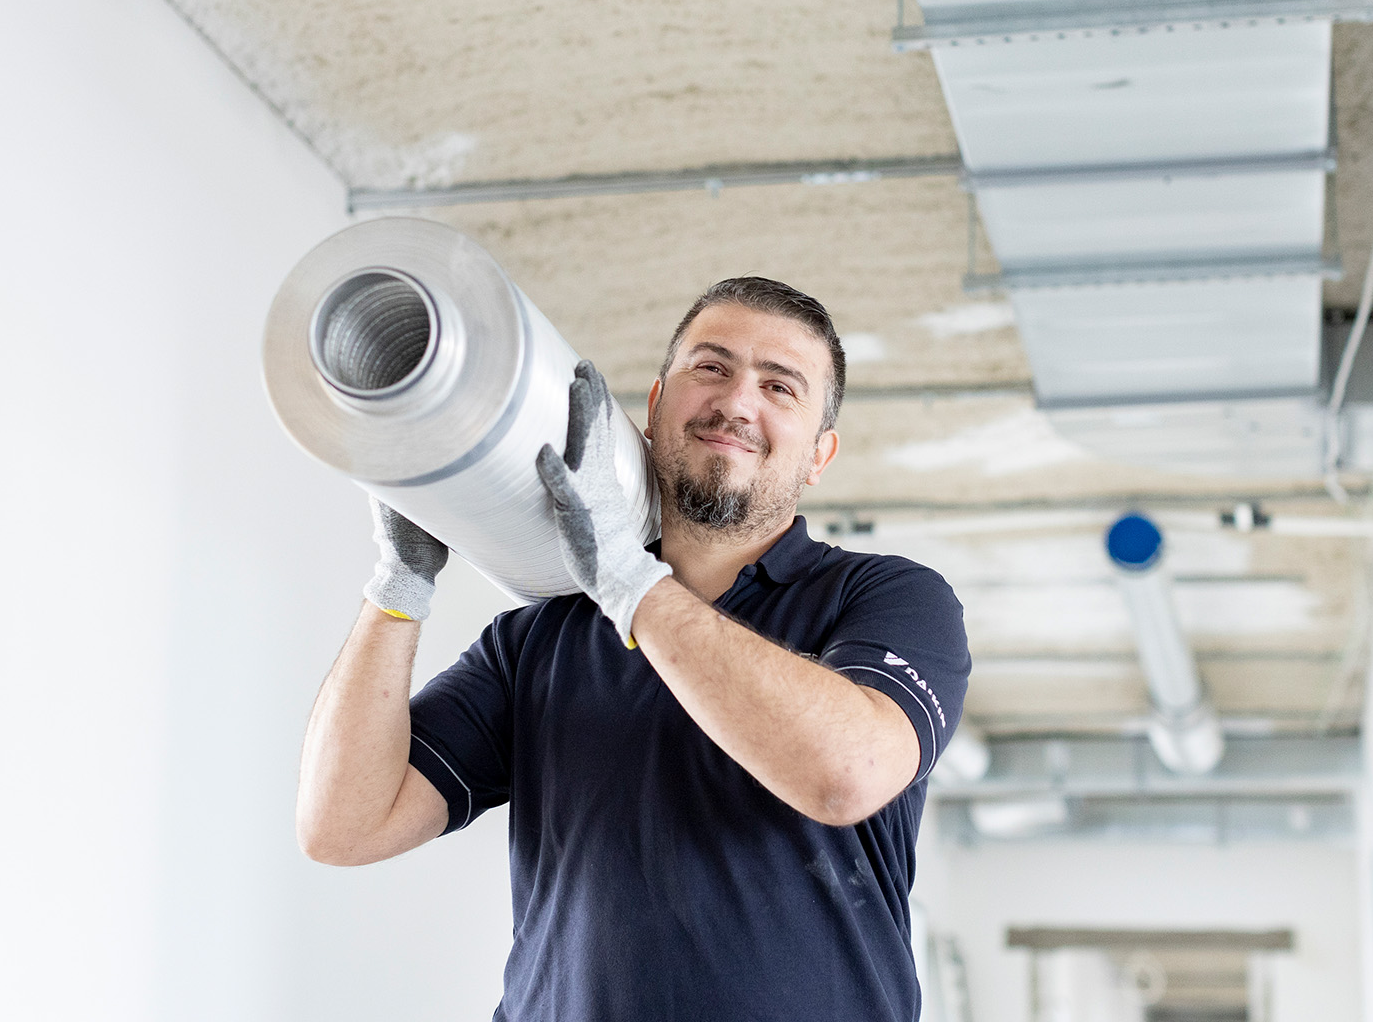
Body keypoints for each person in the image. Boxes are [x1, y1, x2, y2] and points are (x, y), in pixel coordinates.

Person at [296, 277, 971, 1021]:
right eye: (710, 368)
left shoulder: (887, 599)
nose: (737, 402)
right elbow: (343, 825)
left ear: (820, 454)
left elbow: (846, 776)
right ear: (654, 407)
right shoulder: (540, 639)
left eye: (780, 387)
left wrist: (629, 581)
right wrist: (398, 589)